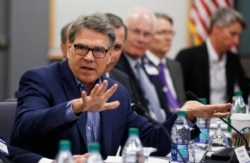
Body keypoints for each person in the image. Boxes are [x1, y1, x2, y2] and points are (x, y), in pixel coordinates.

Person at [10, 12, 231, 160]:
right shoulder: (40, 79)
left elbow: (154, 140)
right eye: (81, 48)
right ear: (68, 48)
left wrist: (186, 115)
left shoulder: (117, 92)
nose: (89, 57)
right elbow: (25, 127)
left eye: (98, 51)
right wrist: (75, 107)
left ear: (109, 57)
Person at [176, 8, 250, 104]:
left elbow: (244, 91)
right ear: (216, 28)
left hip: (227, 116)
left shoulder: (233, 60)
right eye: (232, 34)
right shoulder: (187, 57)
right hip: (198, 117)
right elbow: (177, 95)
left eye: (238, 36)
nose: (236, 41)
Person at [115, 7, 173, 122]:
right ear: (124, 32)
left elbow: (164, 107)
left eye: (147, 34)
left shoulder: (151, 64)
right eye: (136, 32)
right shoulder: (114, 66)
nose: (141, 39)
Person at [145, 12, 186, 111]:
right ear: (149, 35)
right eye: (162, 33)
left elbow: (181, 100)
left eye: (170, 33)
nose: (168, 38)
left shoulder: (175, 65)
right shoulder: (140, 65)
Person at [104, 12, 139, 105]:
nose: (110, 55)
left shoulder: (124, 80)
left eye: (117, 47)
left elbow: (139, 116)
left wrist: (178, 116)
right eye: (106, 46)